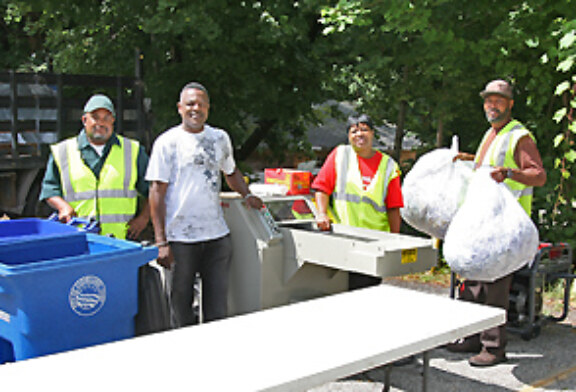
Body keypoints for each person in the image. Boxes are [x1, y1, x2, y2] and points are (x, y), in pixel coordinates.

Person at [146, 82, 263, 327]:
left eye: (201, 104)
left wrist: (246, 195)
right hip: (180, 239)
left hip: (217, 237)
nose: (195, 109)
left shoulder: (219, 138)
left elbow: (230, 172)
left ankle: (214, 355)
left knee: (217, 309)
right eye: (190, 104)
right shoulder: (167, 142)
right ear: (179, 108)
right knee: (181, 307)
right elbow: (156, 191)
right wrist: (161, 242)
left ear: (208, 108)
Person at [447, 79, 546, 366]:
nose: (493, 104)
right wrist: (465, 159)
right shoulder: (490, 134)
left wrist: (511, 173)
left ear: (510, 104)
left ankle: (493, 347)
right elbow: (485, 170)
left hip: (507, 228)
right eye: (489, 99)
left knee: (495, 288)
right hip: (484, 224)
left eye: (499, 99)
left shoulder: (519, 136)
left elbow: (537, 175)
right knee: (473, 281)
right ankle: (470, 337)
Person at [312, 114, 404, 290]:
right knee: (341, 291)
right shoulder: (340, 155)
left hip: (375, 243)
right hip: (344, 238)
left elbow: (394, 208)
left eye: (364, 129)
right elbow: (322, 188)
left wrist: (394, 241)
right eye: (354, 131)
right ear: (348, 136)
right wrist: (322, 213)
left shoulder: (388, 166)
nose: (359, 134)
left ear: (372, 133)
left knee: (367, 292)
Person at [40, 94, 150, 240]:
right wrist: (62, 207)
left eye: (106, 118)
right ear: (85, 120)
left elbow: (153, 191)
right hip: (79, 237)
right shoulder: (63, 151)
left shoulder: (133, 151)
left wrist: (143, 219)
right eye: (95, 117)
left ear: (113, 121)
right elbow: (50, 190)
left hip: (121, 240)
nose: (101, 123)